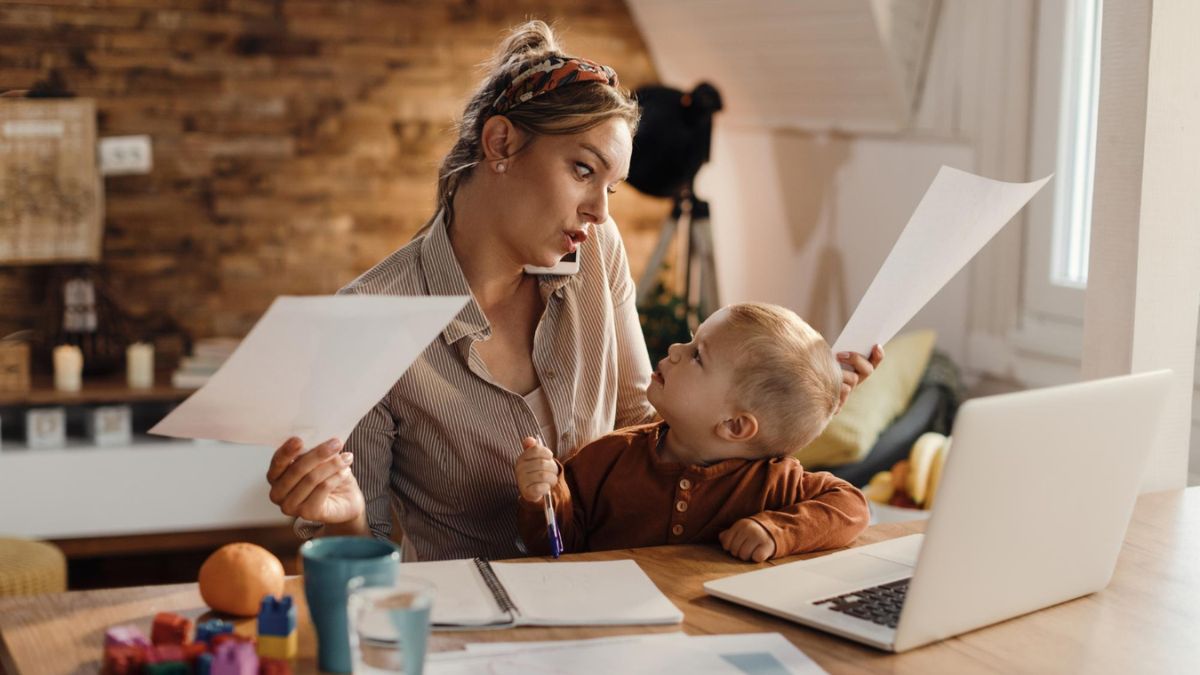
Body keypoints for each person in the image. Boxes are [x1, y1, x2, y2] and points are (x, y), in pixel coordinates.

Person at [264, 21, 883, 561]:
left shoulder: (596, 250)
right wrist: (339, 517)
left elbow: (648, 425)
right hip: (471, 618)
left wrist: (788, 402)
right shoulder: (368, 318)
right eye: (583, 170)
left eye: (610, 187)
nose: (599, 211)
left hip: (620, 599)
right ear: (501, 144)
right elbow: (359, 549)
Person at [514, 302, 869, 562]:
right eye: (690, 340)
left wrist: (775, 532)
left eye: (697, 355)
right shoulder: (607, 458)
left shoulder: (774, 482)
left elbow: (852, 506)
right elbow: (559, 547)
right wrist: (545, 495)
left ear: (734, 425)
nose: (674, 350)